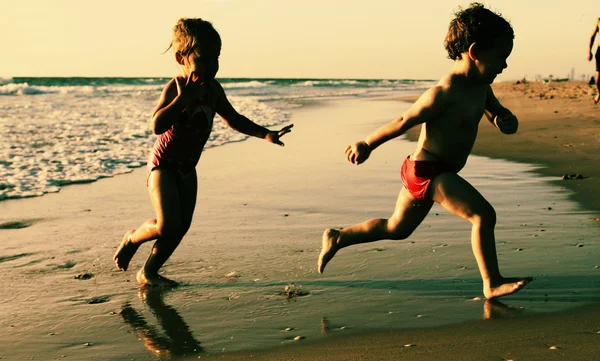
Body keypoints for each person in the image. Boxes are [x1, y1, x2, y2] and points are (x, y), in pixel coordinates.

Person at [318, 3, 532, 299]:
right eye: (501, 57)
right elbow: (404, 121)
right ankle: (491, 282)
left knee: (396, 228)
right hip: (427, 170)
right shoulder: (444, 92)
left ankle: (338, 237)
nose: (505, 65)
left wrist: (502, 119)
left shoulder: (481, 86)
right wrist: (367, 144)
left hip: (429, 171)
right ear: (475, 52)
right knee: (482, 215)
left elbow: (495, 111)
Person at [113, 18, 293, 287]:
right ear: (181, 57)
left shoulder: (213, 91)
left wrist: (265, 133)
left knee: (181, 226)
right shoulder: (176, 87)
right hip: (163, 166)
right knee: (166, 226)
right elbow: (157, 124)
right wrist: (181, 100)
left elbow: (233, 118)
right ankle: (131, 238)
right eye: (204, 58)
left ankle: (148, 272)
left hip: (188, 168)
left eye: (216, 58)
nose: (211, 66)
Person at [587, 17, 600, 104]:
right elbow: (592, 37)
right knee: (598, 79)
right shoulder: (599, 21)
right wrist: (589, 51)